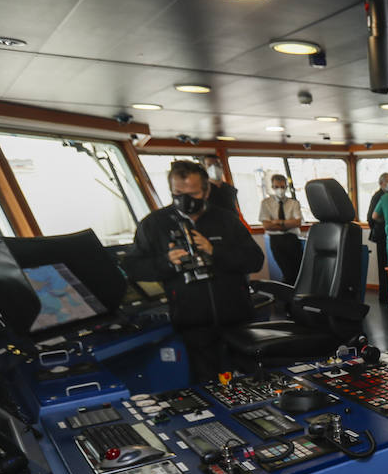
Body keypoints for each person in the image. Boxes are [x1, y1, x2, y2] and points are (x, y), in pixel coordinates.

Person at [126, 160, 263, 382]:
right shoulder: (154, 225)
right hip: (192, 323)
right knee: (207, 385)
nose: (186, 199)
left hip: (236, 319)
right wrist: (167, 262)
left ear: (206, 191)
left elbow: (254, 261)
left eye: (193, 193)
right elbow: (134, 268)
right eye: (178, 193)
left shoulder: (227, 220)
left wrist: (214, 251)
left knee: (248, 382)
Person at [258, 173, 304, 284]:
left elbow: (297, 223)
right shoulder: (266, 203)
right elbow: (267, 225)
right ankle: (288, 298)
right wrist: (288, 223)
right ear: (272, 187)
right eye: (277, 187)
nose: (280, 190)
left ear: (286, 187)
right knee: (287, 271)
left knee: (298, 272)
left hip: (292, 239)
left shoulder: (294, 203)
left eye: (282, 187)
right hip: (276, 241)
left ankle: (298, 298)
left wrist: (279, 222)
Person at [368, 173, 388, 304]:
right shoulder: (378, 197)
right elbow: (370, 217)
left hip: (386, 235)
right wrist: (382, 224)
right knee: (383, 266)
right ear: (381, 183)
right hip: (382, 236)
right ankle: (384, 296)